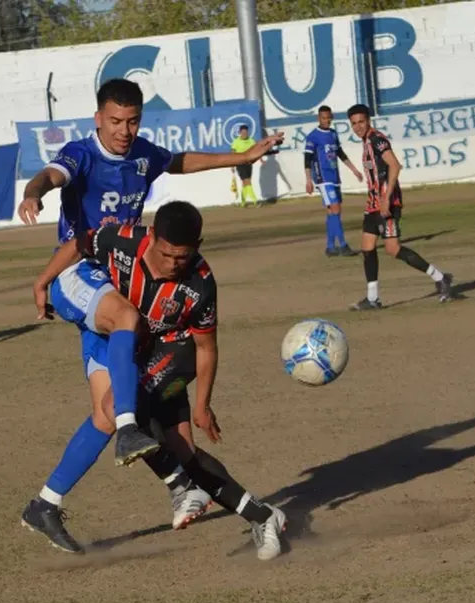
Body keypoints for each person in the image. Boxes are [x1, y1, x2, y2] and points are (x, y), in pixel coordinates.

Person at [17, 78, 284, 528]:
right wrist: (33, 192)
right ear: (98, 118)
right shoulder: (82, 154)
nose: (124, 129)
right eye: (116, 120)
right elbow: (52, 174)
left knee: (105, 411)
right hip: (79, 272)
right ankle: (153, 454)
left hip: (117, 279)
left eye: (133, 120)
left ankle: (45, 504)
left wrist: (242, 157)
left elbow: (180, 161)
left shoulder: (142, 155)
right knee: (128, 332)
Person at [21, 201, 287, 560]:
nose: (175, 263)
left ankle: (181, 484)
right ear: (152, 238)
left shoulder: (201, 285)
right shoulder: (124, 240)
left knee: (119, 409)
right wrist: (42, 280)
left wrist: (202, 404)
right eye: (167, 254)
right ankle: (260, 515)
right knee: (140, 430)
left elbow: (206, 347)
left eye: (184, 256)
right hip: (126, 340)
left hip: (172, 349)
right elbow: (80, 243)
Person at [345, 104, 455, 310]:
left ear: (368, 120)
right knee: (367, 247)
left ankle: (441, 278)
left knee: (393, 249)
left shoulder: (377, 139)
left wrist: (386, 199)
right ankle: (372, 298)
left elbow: (395, 165)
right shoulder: (366, 141)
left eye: (361, 122)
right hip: (372, 203)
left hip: (387, 203)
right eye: (353, 124)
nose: (358, 126)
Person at [304, 105, 362, 257]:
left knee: (333, 211)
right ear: (319, 118)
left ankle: (330, 247)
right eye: (324, 118)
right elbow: (307, 159)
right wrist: (308, 180)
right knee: (335, 209)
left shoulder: (333, 134)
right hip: (322, 177)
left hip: (334, 176)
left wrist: (354, 170)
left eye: (329, 117)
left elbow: (340, 154)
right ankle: (343, 245)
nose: (327, 120)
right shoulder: (313, 136)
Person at [231, 124, 260, 207]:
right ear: (240, 133)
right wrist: (232, 165)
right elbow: (233, 153)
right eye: (243, 132)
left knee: (245, 183)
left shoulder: (251, 140)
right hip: (240, 163)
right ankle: (255, 201)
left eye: (246, 132)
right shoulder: (236, 141)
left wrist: (260, 160)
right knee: (248, 181)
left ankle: (243, 202)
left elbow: (256, 151)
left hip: (249, 163)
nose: (245, 134)